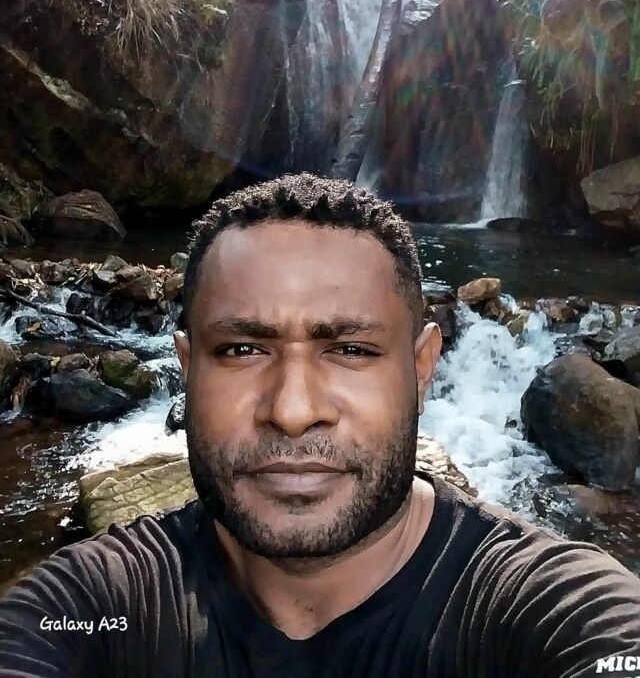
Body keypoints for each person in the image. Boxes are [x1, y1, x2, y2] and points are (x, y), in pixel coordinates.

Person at [1, 171, 640, 677]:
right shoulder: (92, 608)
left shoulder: (546, 610)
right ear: (188, 369)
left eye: (351, 350)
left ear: (422, 369)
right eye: (242, 349)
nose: (293, 410)